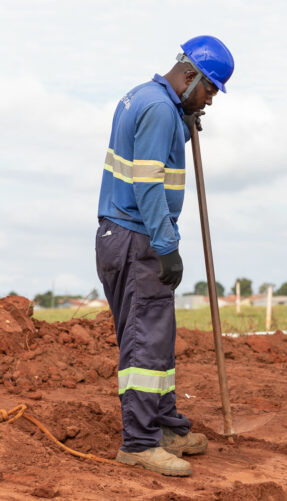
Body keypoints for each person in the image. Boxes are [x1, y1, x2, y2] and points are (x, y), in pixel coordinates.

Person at [95, 35, 234, 476]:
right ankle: (138, 443)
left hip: (126, 235)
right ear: (190, 75)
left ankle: (166, 426)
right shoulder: (158, 109)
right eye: (209, 89)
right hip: (138, 238)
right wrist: (167, 247)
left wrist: (184, 114)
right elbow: (148, 184)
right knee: (145, 344)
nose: (210, 100)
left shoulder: (149, 99)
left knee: (154, 338)